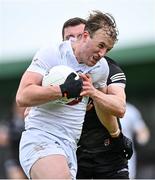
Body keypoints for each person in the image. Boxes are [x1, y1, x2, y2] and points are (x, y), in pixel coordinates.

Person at [16, 10, 119, 179]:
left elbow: (103, 108)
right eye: (101, 45)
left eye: (107, 49)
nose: (102, 54)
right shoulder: (53, 53)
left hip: (70, 146)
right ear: (86, 35)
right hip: (41, 138)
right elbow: (22, 96)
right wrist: (61, 90)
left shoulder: (101, 68)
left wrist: (116, 135)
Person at [62, 17, 133, 179]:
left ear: (87, 36)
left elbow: (120, 107)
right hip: (74, 154)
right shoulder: (55, 70)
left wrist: (93, 93)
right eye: (69, 38)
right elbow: (29, 106)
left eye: (79, 35)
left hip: (109, 152)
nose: (74, 41)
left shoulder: (108, 68)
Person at [121, 102, 150, 179]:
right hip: (100, 162)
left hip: (126, 162)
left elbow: (142, 131)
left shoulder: (130, 110)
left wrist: (141, 141)